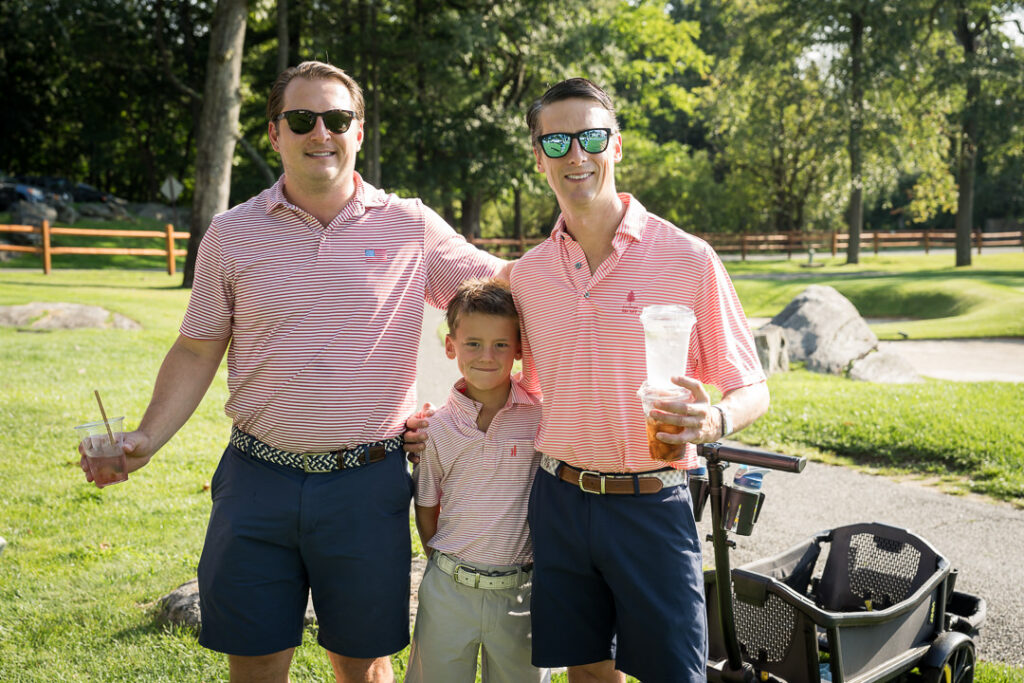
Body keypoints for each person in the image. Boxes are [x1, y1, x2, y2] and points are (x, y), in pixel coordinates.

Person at [78, 61, 504, 683]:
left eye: (336, 119)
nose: (320, 134)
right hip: (257, 480)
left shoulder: (410, 225)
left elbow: (501, 298)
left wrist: (456, 409)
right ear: (275, 133)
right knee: (254, 661)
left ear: (359, 131)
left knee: (362, 664)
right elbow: (199, 347)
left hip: (367, 482)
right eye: (302, 120)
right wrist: (147, 438)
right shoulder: (230, 233)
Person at [512, 78, 770, 682]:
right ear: (539, 157)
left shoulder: (688, 257)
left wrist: (716, 419)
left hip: (651, 503)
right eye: (557, 141)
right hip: (560, 501)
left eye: (591, 137)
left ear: (617, 146)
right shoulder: (527, 277)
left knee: (674, 673)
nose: (576, 154)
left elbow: (753, 386)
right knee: (587, 671)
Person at [405, 278, 548, 683]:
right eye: (473, 344)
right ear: (451, 347)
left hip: (519, 593)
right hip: (449, 589)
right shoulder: (438, 428)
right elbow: (427, 507)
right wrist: (444, 563)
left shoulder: (539, 420)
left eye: (501, 344)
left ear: (519, 349)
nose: (487, 356)